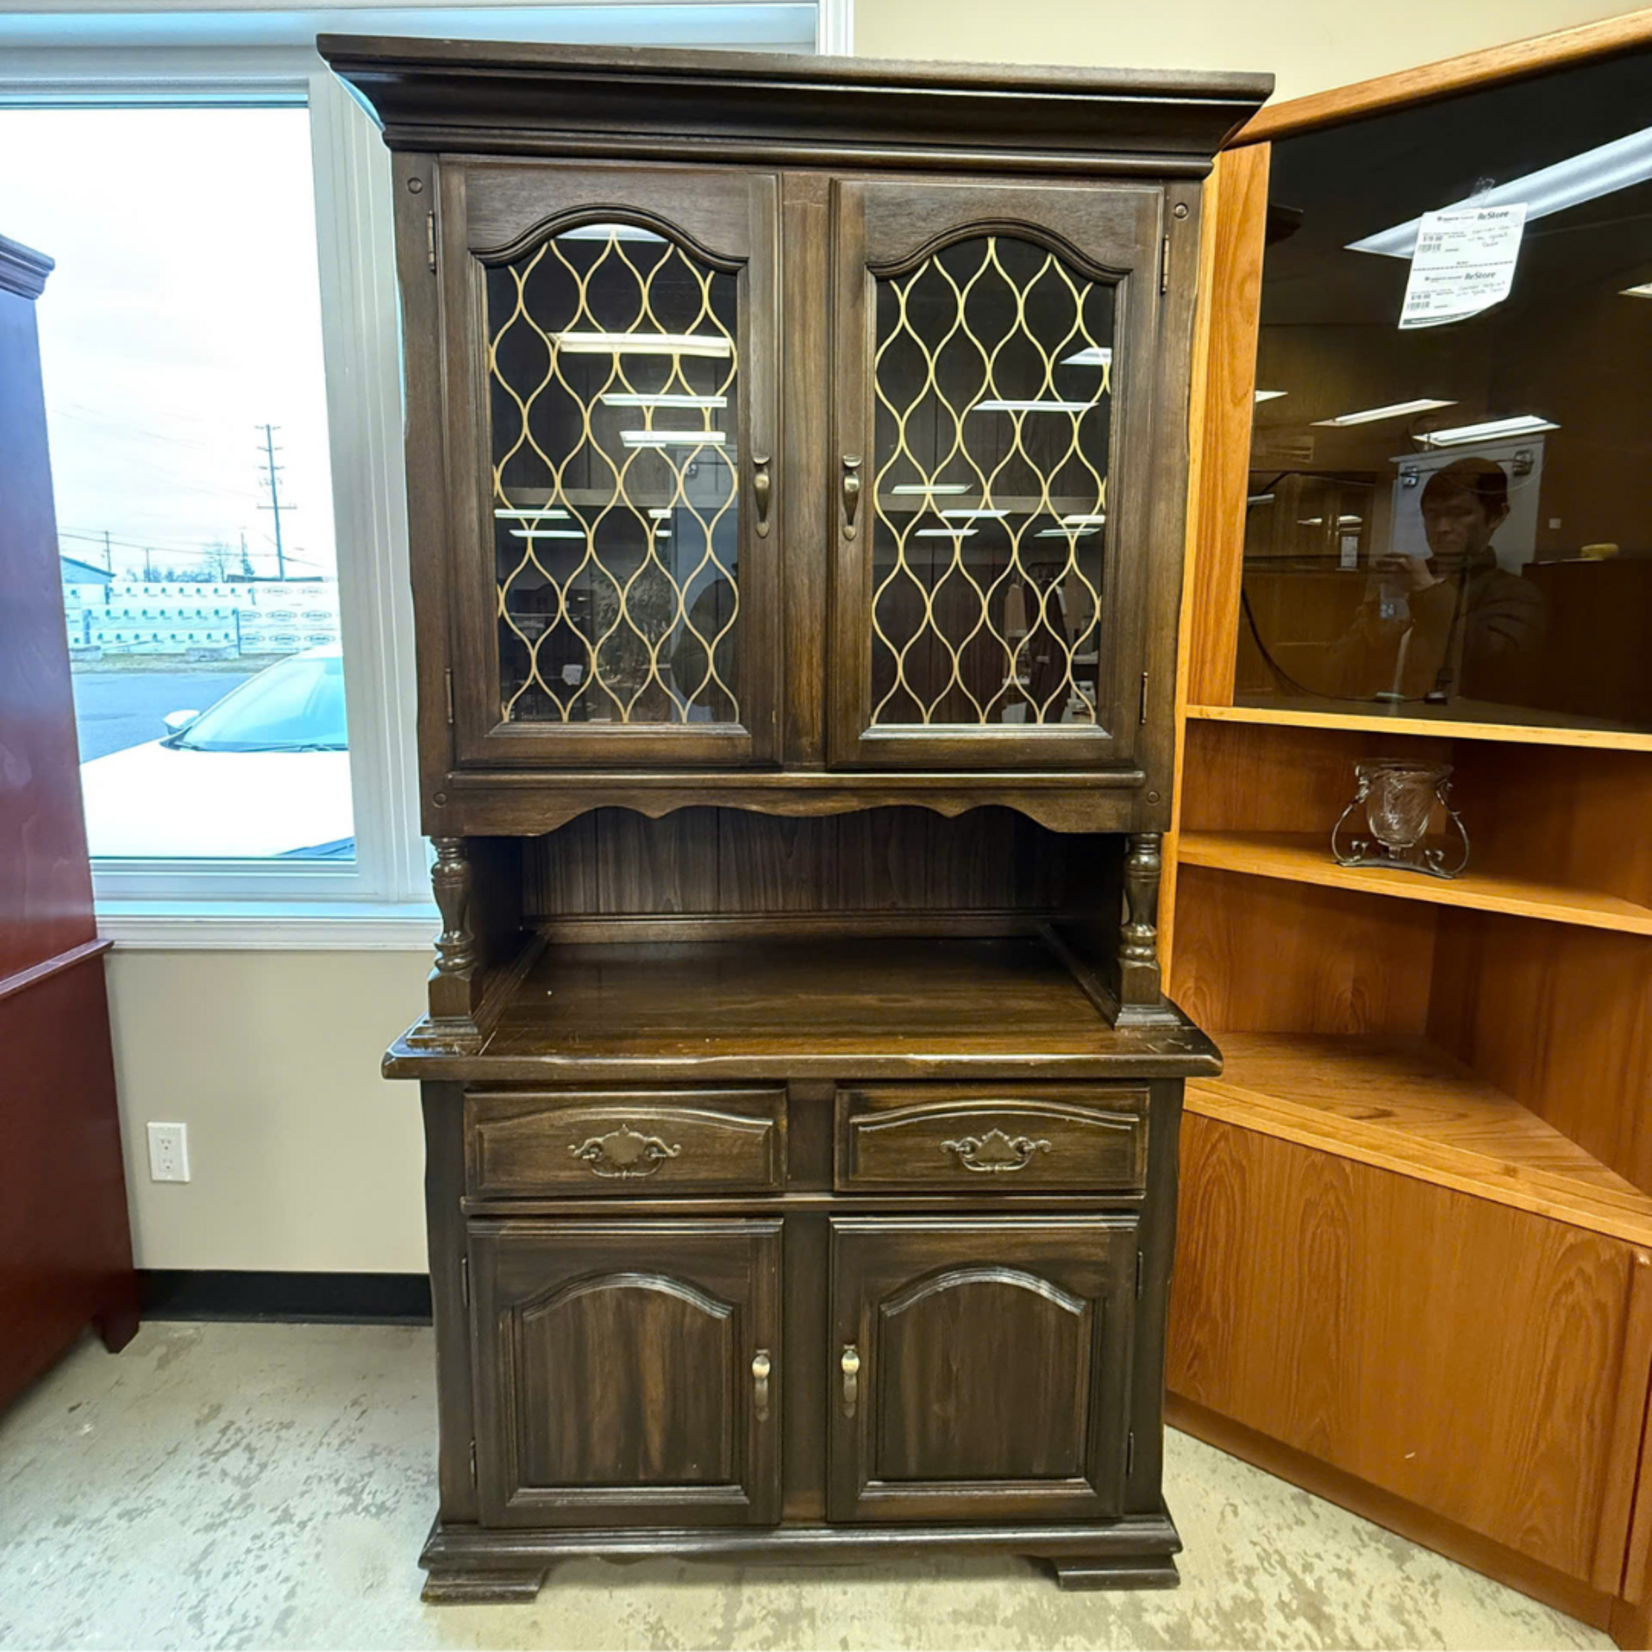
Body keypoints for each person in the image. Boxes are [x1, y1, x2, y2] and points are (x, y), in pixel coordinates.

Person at [1329, 455, 1546, 703]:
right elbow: (1336, 671)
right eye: (1432, 515)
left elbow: (1497, 667)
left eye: (1459, 514)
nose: (1442, 527)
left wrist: (1427, 594)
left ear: (1496, 516)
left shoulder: (1514, 594)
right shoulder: (1403, 584)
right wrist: (1374, 628)